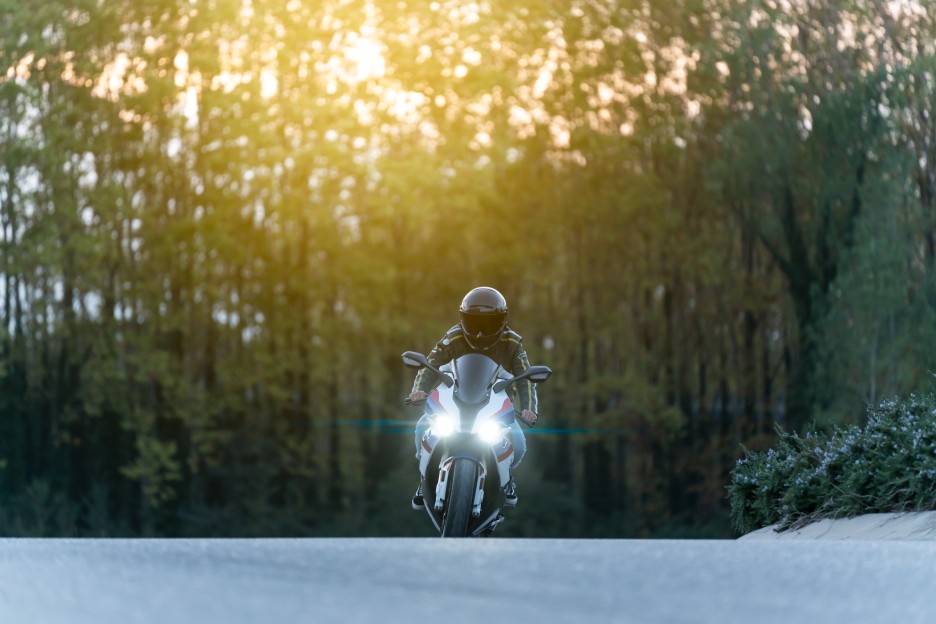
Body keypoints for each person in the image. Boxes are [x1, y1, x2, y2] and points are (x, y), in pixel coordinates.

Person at [409, 286, 538, 510]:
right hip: (454, 397)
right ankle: (423, 481)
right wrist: (419, 390)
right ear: (463, 319)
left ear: (501, 321)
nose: (479, 332)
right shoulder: (454, 336)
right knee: (422, 427)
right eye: (474, 323)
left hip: (496, 404)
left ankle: (506, 481)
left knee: (518, 443)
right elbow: (431, 364)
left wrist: (529, 408)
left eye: (487, 324)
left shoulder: (513, 343)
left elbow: (525, 378)